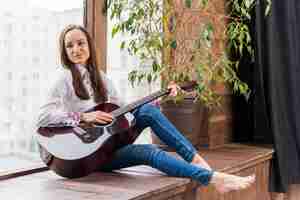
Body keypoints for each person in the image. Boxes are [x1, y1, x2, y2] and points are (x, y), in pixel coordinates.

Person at [36, 24, 255, 194]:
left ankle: (198, 162)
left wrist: (162, 97)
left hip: (108, 146)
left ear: (89, 46)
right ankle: (213, 178)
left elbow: (127, 113)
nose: (76, 49)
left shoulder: (102, 79)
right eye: (70, 45)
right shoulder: (61, 78)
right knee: (149, 152)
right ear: (64, 51)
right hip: (86, 159)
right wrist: (85, 116)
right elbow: (43, 117)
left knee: (148, 112)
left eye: (80, 43)